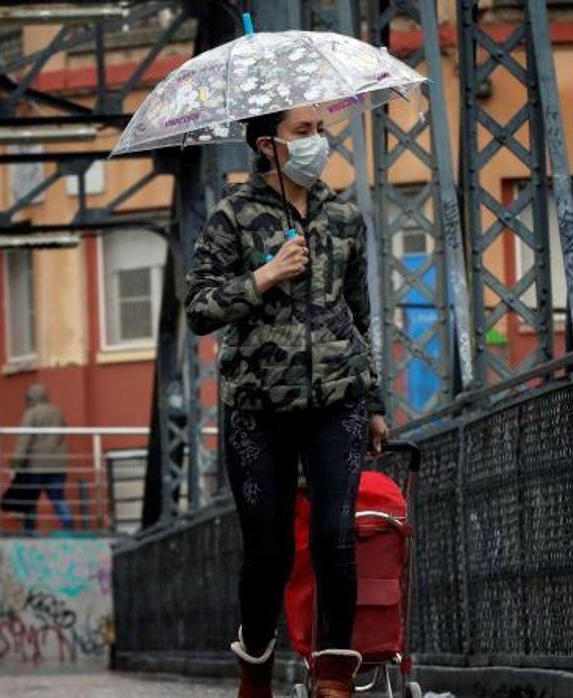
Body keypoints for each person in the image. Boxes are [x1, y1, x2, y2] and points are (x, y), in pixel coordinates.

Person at [185, 105, 390, 698]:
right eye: (304, 132)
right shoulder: (233, 217)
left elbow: (360, 314)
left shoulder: (345, 218)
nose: (318, 142)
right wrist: (265, 276)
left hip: (337, 401)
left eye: (320, 130)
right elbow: (198, 308)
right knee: (269, 553)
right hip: (258, 408)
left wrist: (373, 401)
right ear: (268, 145)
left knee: (335, 537)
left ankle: (333, 678)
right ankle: (255, 669)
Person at [11, 384, 76, 532]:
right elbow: (62, 434)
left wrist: (16, 463)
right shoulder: (57, 412)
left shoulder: (31, 413)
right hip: (57, 465)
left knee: (31, 497)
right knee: (58, 497)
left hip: (36, 464)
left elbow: (24, 439)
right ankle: (68, 525)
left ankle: (29, 529)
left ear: (31, 398)